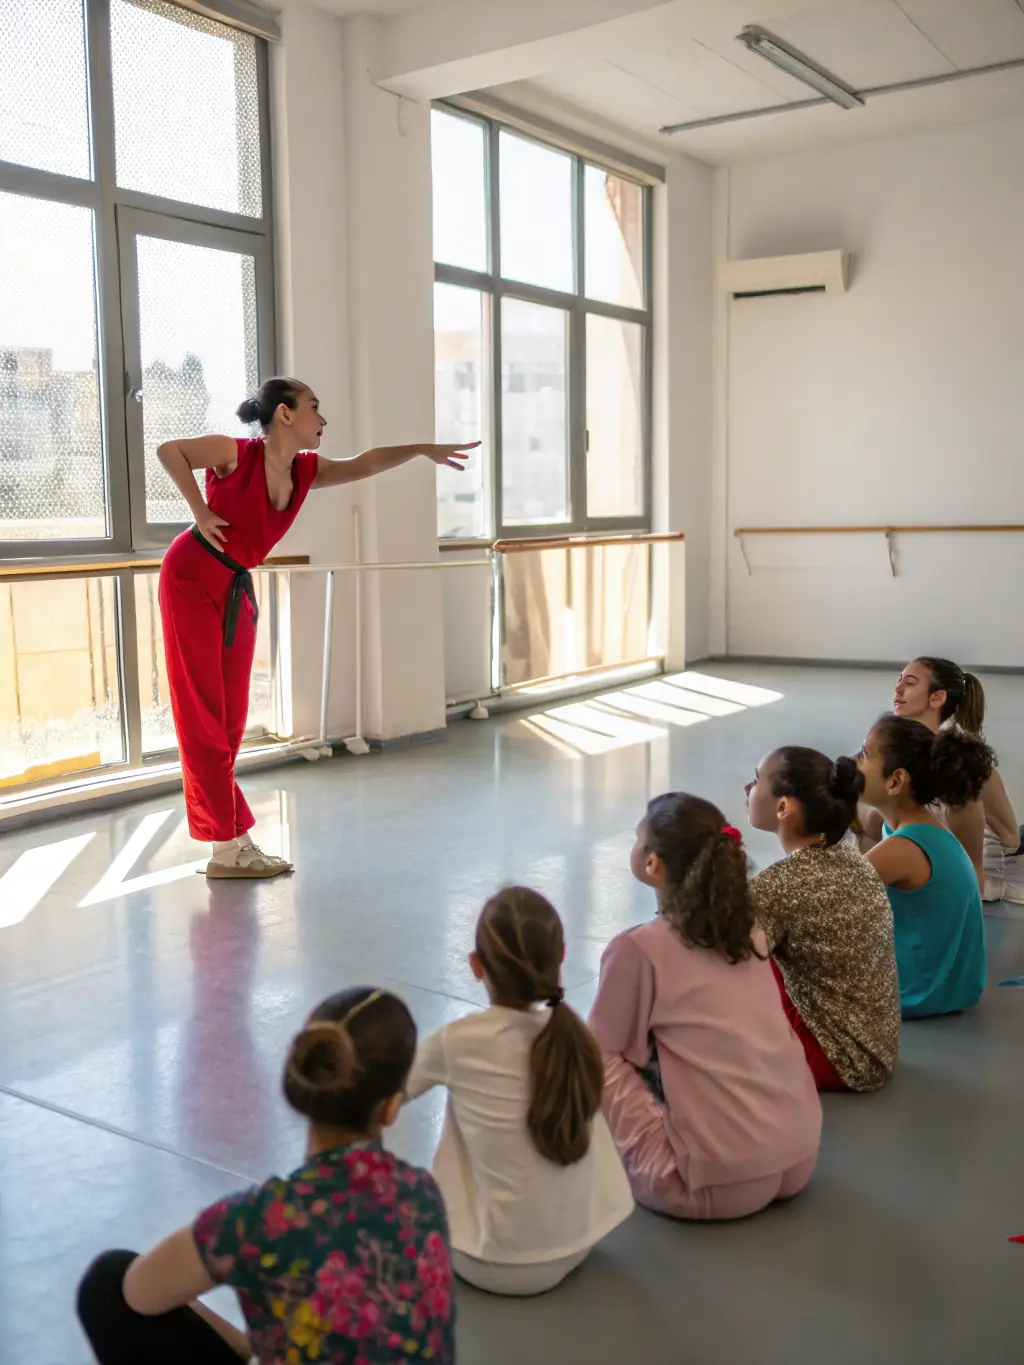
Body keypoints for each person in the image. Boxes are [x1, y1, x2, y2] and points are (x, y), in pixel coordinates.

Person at [156, 376, 474, 878]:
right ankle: (225, 849)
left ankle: (232, 842)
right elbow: (168, 450)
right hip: (191, 575)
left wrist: (419, 450)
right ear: (284, 414)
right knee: (203, 714)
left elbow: (366, 462)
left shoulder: (306, 471)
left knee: (232, 717)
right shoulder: (235, 453)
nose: (322, 419)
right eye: (313, 407)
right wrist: (199, 512)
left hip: (235, 585)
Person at [77, 987, 454, 1365]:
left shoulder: (259, 1221)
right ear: (391, 1107)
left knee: (107, 1282)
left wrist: (244, 1343)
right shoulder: (424, 1195)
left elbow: (138, 1291)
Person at [587, 794, 821, 1221]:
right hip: (800, 1152)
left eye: (638, 839)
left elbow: (606, 1049)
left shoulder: (638, 948)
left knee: (592, 1055)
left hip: (709, 1183)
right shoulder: (749, 930)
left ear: (653, 864)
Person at [405, 887, 633, 1296]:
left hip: (485, 1263)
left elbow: (393, 1093)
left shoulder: (457, 1041)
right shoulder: (576, 1037)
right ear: (561, 956)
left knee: (456, 1112)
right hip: (576, 1247)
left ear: (476, 966)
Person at [746, 747, 900, 1092]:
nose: (749, 789)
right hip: (876, 1048)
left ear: (784, 807)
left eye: (756, 780)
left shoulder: (777, 886)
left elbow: (722, 964)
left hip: (836, 1059)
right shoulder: (854, 857)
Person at [857, 715, 991, 1018]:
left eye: (864, 755)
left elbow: (821, 898)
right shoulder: (919, 828)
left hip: (920, 992)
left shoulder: (904, 847)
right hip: (950, 988)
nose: (854, 761)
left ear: (895, 781)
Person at [891, 657, 1023, 903]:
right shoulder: (894, 755)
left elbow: (1010, 841)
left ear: (937, 698)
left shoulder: (965, 766)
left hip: (990, 873)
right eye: (898, 680)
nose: (897, 689)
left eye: (909, 683)